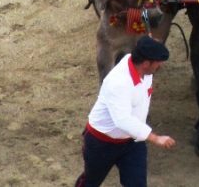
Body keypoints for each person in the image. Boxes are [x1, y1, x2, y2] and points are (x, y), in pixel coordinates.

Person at [75, 36, 176, 187]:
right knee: (91, 182)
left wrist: (150, 44)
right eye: (158, 62)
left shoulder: (141, 67)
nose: (160, 65)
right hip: (101, 143)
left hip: (132, 142)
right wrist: (155, 138)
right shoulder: (118, 82)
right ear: (146, 63)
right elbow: (123, 120)